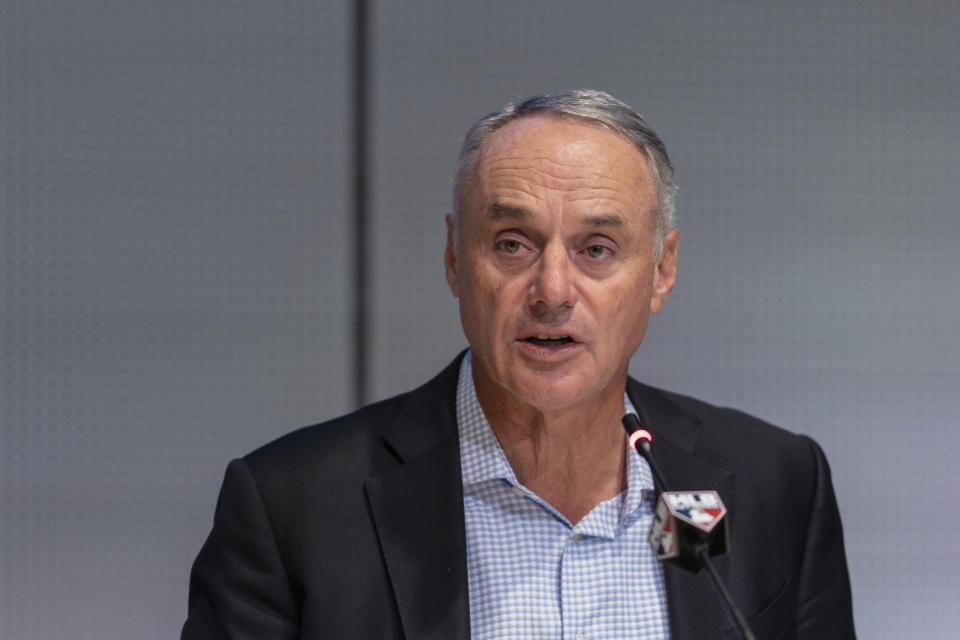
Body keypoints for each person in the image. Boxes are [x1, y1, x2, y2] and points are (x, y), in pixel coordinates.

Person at [182, 89, 855, 639]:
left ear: (661, 270)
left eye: (597, 249)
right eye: (512, 244)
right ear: (454, 258)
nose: (553, 290)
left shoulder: (773, 485)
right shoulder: (293, 508)